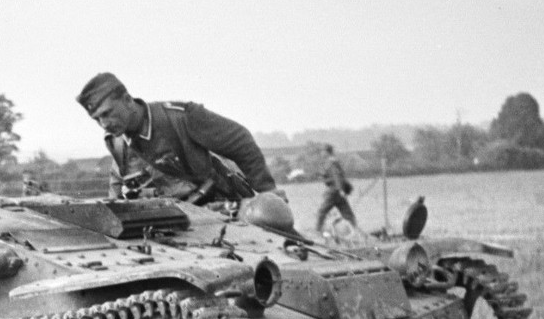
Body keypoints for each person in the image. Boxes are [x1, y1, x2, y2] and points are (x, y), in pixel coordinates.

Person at [76, 72, 288, 212]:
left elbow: (240, 142)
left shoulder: (180, 118)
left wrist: (268, 192)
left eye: (107, 113)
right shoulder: (117, 143)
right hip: (171, 231)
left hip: (223, 211)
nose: (104, 124)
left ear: (127, 100)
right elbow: (117, 190)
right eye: (97, 119)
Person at [315, 144, 357, 235]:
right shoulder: (333, 161)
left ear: (327, 152)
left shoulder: (331, 162)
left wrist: (340, 189)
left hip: (334, 191)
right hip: (337, 191)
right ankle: (355, 231)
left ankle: (317, 231)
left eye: (323, 151)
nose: (321, 153)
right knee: (347, 213)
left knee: (322, 212)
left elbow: (336, 176)